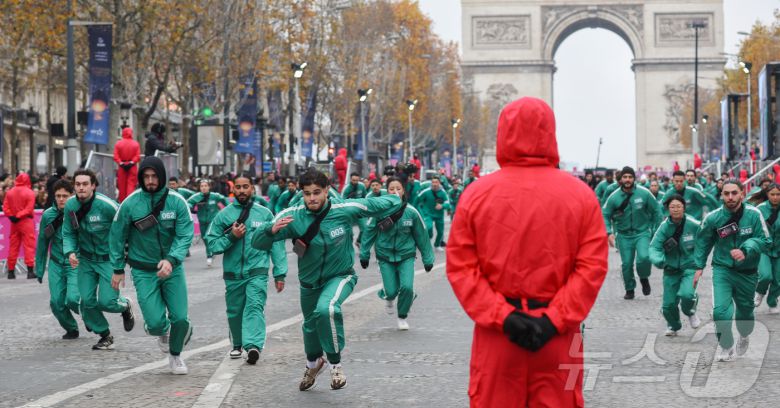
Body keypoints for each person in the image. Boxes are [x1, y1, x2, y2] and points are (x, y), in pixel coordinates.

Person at [446, 97, 608, 407]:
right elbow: (592, 269)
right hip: (559, 338)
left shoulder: (475, 195)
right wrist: (553, 320)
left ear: (502, 133)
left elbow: (461, 269)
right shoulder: (582, 196)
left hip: (499, 336)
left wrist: (503, 317)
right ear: (551, 133)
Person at [253, 168, 401, 391]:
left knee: (328, 309)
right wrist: (270, 231)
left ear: (327, 191)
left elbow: (374, 205)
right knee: (310, 328)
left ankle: (335, 364)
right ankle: (313, 364)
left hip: (341, 276)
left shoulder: (344, 210)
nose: (312, 198)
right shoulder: (292, 216)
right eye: (307, 193)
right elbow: (257, 243)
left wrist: (396, 197)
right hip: (309, 284)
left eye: (316, 192)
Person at [109, 157, 194, 374]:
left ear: (162, 176)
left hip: (172, 269)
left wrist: (172, 259)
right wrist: (118, 269)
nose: (150, 181)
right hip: (143, 270)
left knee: (181, 319)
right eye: (146, 177)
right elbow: (117, 236)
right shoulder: (130, 203)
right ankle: (161, 330)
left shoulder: (177, 201)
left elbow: (185, 234)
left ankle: (175, 356)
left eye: (154, 176)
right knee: (156, 323)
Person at [204, 173, 287, 364]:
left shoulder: (265, 214)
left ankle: (253, 346)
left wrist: (279, 272)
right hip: (233, 274)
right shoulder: (223, 215)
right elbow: (212, 244)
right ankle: (237, 344)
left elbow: (276, 243)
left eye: (246, 187)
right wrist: (231, 237)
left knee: (254, 306)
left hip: (257, 271)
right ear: (233, 190)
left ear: (252, 188)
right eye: (239, 187)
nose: (242, 190)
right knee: (235, 311)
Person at [694, 179, 770, 361]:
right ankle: (726, 346)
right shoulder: (713, 218)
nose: (730, 197)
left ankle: (744, 335)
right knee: (720, 312)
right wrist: (698, 266)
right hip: (723, 270)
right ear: (721, 195)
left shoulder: (754, 214)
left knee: (745, 315)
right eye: (726, 193)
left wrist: (746, 249)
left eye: (734, 193)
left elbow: (765, 241)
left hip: (748, 272)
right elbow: (702, 242)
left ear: (742, 194)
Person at [63, 169, 134, 350]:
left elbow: (125, 227)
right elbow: (69, 232)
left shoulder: (107, 205)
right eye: (77, 184)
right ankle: (105, 335)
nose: (81, 188)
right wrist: (70, 252)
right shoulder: (71, 206)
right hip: (85, 259)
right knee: (86, 301)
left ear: (93, 186)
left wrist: (124, 258)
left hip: (108, 260)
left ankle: (125, 306)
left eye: (85, 184)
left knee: (107, 302)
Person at [360, 176, 434, 329]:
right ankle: (387, 295)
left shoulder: (411, 212)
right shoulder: (379, 211)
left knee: (407, 287)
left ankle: (402, 316)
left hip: (406, 255)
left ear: (403, 191)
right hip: (384, 255)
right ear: (386, 191)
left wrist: (428, 259)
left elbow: (422, 236)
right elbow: (369, 232)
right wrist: (364, 254)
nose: (395, 192)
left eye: (398, 189)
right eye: (391, 189)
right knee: (392, 291)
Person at [602, 166, 662, 299]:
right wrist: (608, 232)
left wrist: (656, 230)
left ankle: (644, 277)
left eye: (630, 177)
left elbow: (657, 210)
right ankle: (630, 289)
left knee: (644, 258)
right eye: (625, 177)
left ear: (634, 179)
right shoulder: (614, 197)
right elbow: (605, 214)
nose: (627, 179)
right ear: (621, 179)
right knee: (627, 264)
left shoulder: (645, 193)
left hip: (642, 233)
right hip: (623, 235)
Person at [35, 179, 83, 339]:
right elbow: (42, 242)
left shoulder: (78, 211)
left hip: (75, 261)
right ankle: (71, 328)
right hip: (56, 262)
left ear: (72, 195)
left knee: (73, 299)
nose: (61, 199)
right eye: (58, 196)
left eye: (65, 195)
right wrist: (39, 269)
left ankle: (91, 317)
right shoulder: (48, 215)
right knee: (56, 302)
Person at [649, 194, 702, 336]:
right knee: (668, 306)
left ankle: (690, 311)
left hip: (689, 267)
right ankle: (674, 325)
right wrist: (660, 260)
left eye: (678, 206)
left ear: (684, 207)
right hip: (670, 269)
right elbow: (654, 247)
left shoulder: (693, 224)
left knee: (687, 294)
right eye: (672, 207)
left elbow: (705, 241)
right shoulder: (664, 227)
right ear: (668, 209)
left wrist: (700, 263)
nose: (676, 209)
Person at [187, 180, 229, 266]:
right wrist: (191, 207)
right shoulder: (196, 197)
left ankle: (209, 255)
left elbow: (224, 199)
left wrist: (228, 208)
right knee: (205, 238)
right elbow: (188, 203)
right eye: (202, 186)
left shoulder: (215, 196)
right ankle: (212, 251)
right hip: (202, 221)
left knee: (207, 236)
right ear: (200, 188)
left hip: (212, 221)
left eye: (205, 186)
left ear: (209, 187)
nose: (204, 187)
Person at [3, 173, 37, 279]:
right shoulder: (30, 193)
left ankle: (11, 272)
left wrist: (12, 216)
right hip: (26, 221)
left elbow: (5, 207)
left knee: (13, 246)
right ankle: (30, 271)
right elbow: (29, 208)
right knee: (29, 246)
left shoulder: (9, 192)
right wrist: (19, 215)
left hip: (14, 223)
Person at [753, 183, 780, 313]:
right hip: (764, 248)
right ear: (767, 195)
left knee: (778, 279)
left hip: (779, 249)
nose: (775, 197)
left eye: (778, 194)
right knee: (765, 276)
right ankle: (760, 292)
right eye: (772, 194)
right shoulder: (760, 209)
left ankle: (772, 302)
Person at [416, 176, 451, 251]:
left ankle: (437, 245)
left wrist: (442, 205)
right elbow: (417, 199)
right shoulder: (426, 191)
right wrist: (415, 210)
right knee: (428, 227)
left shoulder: (443, 192)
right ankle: (428, 241)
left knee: (440, 232)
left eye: (436, 182)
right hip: (428, 214)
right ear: (431, 183)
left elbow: (447, 203)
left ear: (439, 183)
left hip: (439, 215)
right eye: (433, 182)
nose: (434, 184)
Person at [113, 127, 140, 202]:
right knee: (131, 185)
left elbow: (115, 156)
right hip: (132, 166)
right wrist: (132, 162)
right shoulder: (135, 144)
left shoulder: (118, 143)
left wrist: (120, 163)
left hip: (122, 166)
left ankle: (122, 204)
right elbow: (137, 156)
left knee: (122, 187)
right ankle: (130, 202)